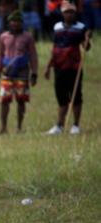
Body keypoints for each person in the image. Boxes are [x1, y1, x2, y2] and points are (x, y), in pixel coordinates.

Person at [44, 0, 91, 134]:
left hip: (74, 66)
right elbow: (54, 48)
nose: (69, 15)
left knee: (75, 95)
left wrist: (87, 38)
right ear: (62, 14)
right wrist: (48, 66)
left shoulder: (81, 28)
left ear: (75, 13)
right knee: (61, 96)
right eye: (66, 12)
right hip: (59, 65)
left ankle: (76, 124)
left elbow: (86, 47)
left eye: (71, 12)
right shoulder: (57, 27)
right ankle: (60, 124)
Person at [0, 10, 38, 134]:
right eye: (13, 21)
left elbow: (33, 55)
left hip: (22, 72)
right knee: (4, 100)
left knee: (21, 99)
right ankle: (3, 127)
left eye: (18, 21)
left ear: (21, 23)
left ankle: (19, 126)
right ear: (9, 23)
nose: (15, 23)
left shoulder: (27, 37)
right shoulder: (3, 37)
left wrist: (34, 73)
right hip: (7, 72)